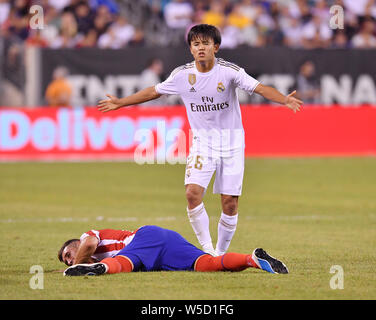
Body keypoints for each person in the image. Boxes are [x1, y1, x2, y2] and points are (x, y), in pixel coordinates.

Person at [97, 24, 303, 257]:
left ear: (215, 47)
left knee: (230, 203)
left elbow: (260, 88)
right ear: (191, 49)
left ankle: (220, 252)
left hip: (232, 142)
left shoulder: (229, 71)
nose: (201, 48)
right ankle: (208, 252)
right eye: (196, 44)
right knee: (192, 193)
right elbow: (153, 91)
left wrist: (283, 99)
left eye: (205, 43)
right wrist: (121, 102)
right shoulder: (182, 75)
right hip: (202, 142)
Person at [59, 224, 288, 276]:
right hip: (165, 240)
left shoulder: (88, 236)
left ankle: (101, 269)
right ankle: (253, 259)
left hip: (143, 239)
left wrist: (81, 263)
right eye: (67, 261)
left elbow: (88, 245)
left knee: (125, 262)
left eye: (68, 254)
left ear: (75, 243)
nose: (69, 260)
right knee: (207, 264)